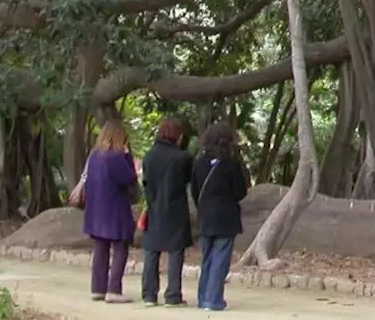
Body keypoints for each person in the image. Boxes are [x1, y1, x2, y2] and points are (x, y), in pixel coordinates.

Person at [192, 122, 249, 312]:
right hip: (226, 217)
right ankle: (214, 300)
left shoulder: (199, 162)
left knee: (207, 258)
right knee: (220, 259)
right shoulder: (231, 165)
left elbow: (194, 190)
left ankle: (203, 298)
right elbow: (240, 192)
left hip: (205, 216)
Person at [82, 121, 139, 304]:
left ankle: (97, 288)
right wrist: (128, 157)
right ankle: (114, 289)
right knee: (121, 247)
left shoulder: (95, 155)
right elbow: (129, 178)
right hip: (115, 209)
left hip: (96, 209)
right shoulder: (116, 157)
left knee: (101, 248)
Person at [139, 117, 193, 307]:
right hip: (175, 208)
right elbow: (187, 180)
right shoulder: (183, 158)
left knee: (151, 252)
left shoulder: (149, 156)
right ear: (178, 136)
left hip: (153, 207)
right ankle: (172, 295)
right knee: (175, 252)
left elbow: (145, 182)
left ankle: (149, 294)